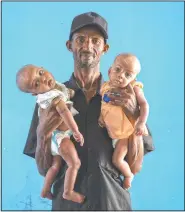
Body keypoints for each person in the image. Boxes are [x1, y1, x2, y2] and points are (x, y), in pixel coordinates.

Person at [23, 12, 155, 210]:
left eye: (95, 40)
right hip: (67, 206)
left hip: (112, 203)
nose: (88, 46)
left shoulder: (126, 96)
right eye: (81, 40)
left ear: (105, 48)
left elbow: (134, 167)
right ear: (70, 46)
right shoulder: (49, 99)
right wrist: (42, 134)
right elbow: (44, 169)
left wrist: (134, 115)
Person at [16, 65, 85, 203]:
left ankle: (45, 189)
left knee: (55, 165)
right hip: (60, 137)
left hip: (52, 139)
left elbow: (66, 93)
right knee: (74, 163)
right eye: (36, 84)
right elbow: (65, 113)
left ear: (43, 68)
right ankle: (68, 192)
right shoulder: (54, 98)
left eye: (41, 73)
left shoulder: (54, 89)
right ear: (35, 93)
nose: (43, 79)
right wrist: (76, 131)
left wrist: (69, 93)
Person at [99, 53, 149, 190]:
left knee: (117, 160)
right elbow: (105, 106)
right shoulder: (105, 88)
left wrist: (141, 122)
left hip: (124, 135)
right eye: (118, 70)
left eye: (128, 75)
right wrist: (101, 117)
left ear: (133, 79)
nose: (121, 76)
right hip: (112, 133)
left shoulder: (132, 89)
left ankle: (128, 176)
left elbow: (144, 105)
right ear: (110, 71)